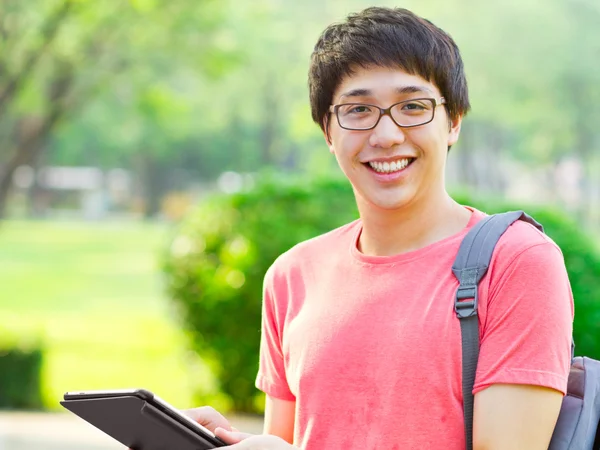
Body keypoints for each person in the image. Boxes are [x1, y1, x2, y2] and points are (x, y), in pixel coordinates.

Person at [184, 6, 574, 449]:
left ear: (454, 121)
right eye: (358, 109)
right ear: (328, 132)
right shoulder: (292, 276)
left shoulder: (517, 262)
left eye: (412, 106)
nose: (386, 134)